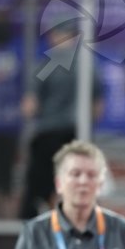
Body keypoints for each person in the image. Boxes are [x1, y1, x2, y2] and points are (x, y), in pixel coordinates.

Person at [18, 22, 104, 219]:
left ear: (54, 36)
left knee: (37, 190)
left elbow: (30, 106)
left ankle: (30, 234)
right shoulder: (88, 66)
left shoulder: (47, 64)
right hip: (78, 135)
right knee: (81, 185)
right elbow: (97, 108)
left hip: (48, 135)